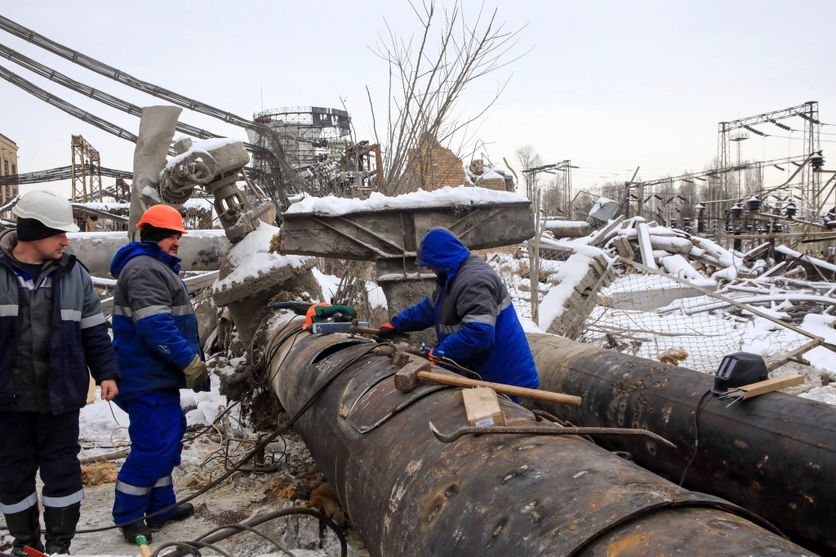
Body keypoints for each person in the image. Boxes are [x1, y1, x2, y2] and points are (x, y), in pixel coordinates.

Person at [0, 190, 119, 555]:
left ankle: (58, 546)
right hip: (8, 400)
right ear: (33, 232)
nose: (66, 240)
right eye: (59, 233)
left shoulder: (73, 274)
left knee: (62, 471)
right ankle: (26, 544)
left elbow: (94, 331)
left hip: (60, 396)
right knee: (12, 474)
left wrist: (106, 374)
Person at [110, 204, 208, 544]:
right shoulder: (144, 270)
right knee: (153, 445)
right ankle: (130, 516)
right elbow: (155, 327)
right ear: (155, 236)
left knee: (166, 438)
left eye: (178, 236)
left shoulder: (153, 266)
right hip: (145, 376)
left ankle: (160, 508)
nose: (177, 242)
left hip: (156, 375)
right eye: (172, 236)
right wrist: (190, 363)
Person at [378, 227, 539, 390]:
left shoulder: (474, 282)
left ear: (442, 259)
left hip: (506, 380)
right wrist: (397, 324)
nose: (429, 269)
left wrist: (440, 354)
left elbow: (479, 333)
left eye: (430, 264)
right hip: (482, 374)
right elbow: (427, 309)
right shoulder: (451, 277)